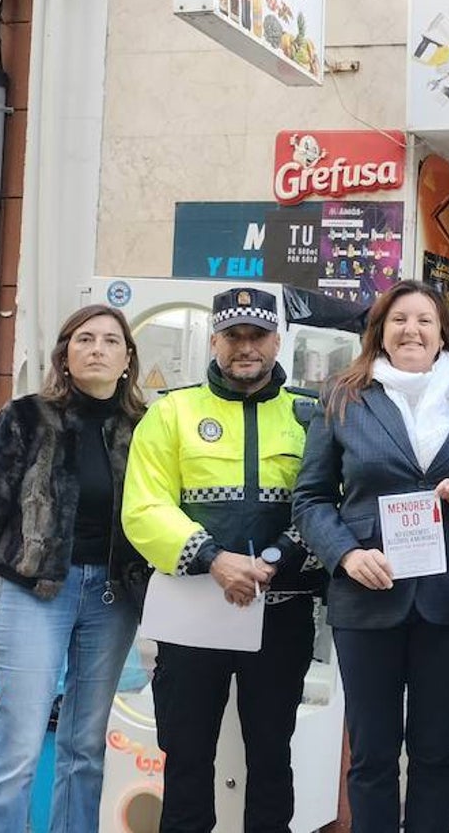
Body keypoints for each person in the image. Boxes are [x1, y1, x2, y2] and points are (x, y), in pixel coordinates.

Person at [292, 280, 449, 832]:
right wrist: (345, 555)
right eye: (398, 320)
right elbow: (311, 498)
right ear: (380, 332)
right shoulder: (344, 396)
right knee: (370, 754)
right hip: (367, 597)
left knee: (436, 752)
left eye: (423, 319)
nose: (411, 330)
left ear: (443, 331)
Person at [122, 287, 324, 833]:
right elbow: (143, 507)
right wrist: (213, 559)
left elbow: (328, 501)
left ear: (277, 340)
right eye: (233, 336)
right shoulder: (172, 412)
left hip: (279, 613)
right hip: (191, 614)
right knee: (186, 758)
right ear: (215, 339)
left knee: (271, 755)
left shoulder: (310, 415)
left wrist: (275, 561)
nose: (245, 347)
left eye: (257, 335)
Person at [0, 304, 146, 833]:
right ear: (65, 353)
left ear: (128, 358)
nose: (97, 349)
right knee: (18, 742)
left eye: (111, 341)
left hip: (111, 599)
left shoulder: (145, 426)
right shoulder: (24, 417)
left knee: (85, 745)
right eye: (85, 339)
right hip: (34, 592)